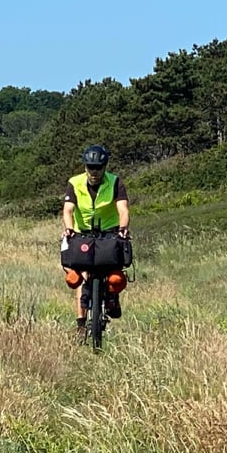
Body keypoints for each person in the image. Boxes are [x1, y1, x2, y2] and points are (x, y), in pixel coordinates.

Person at [61, 144, 130, 336]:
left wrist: (123, 228)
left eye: (98, 167)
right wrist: (68, 229)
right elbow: (68, 210)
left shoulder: (115, 182)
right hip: (82, 233)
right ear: (85, 166)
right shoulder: (75, 183)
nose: (94, 171)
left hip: (109, 232)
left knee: (114, 273)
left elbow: (123, 210)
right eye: (90, 167)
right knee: (79, 273)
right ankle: (81, 324)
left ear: (105, 166)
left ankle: (112, 297)